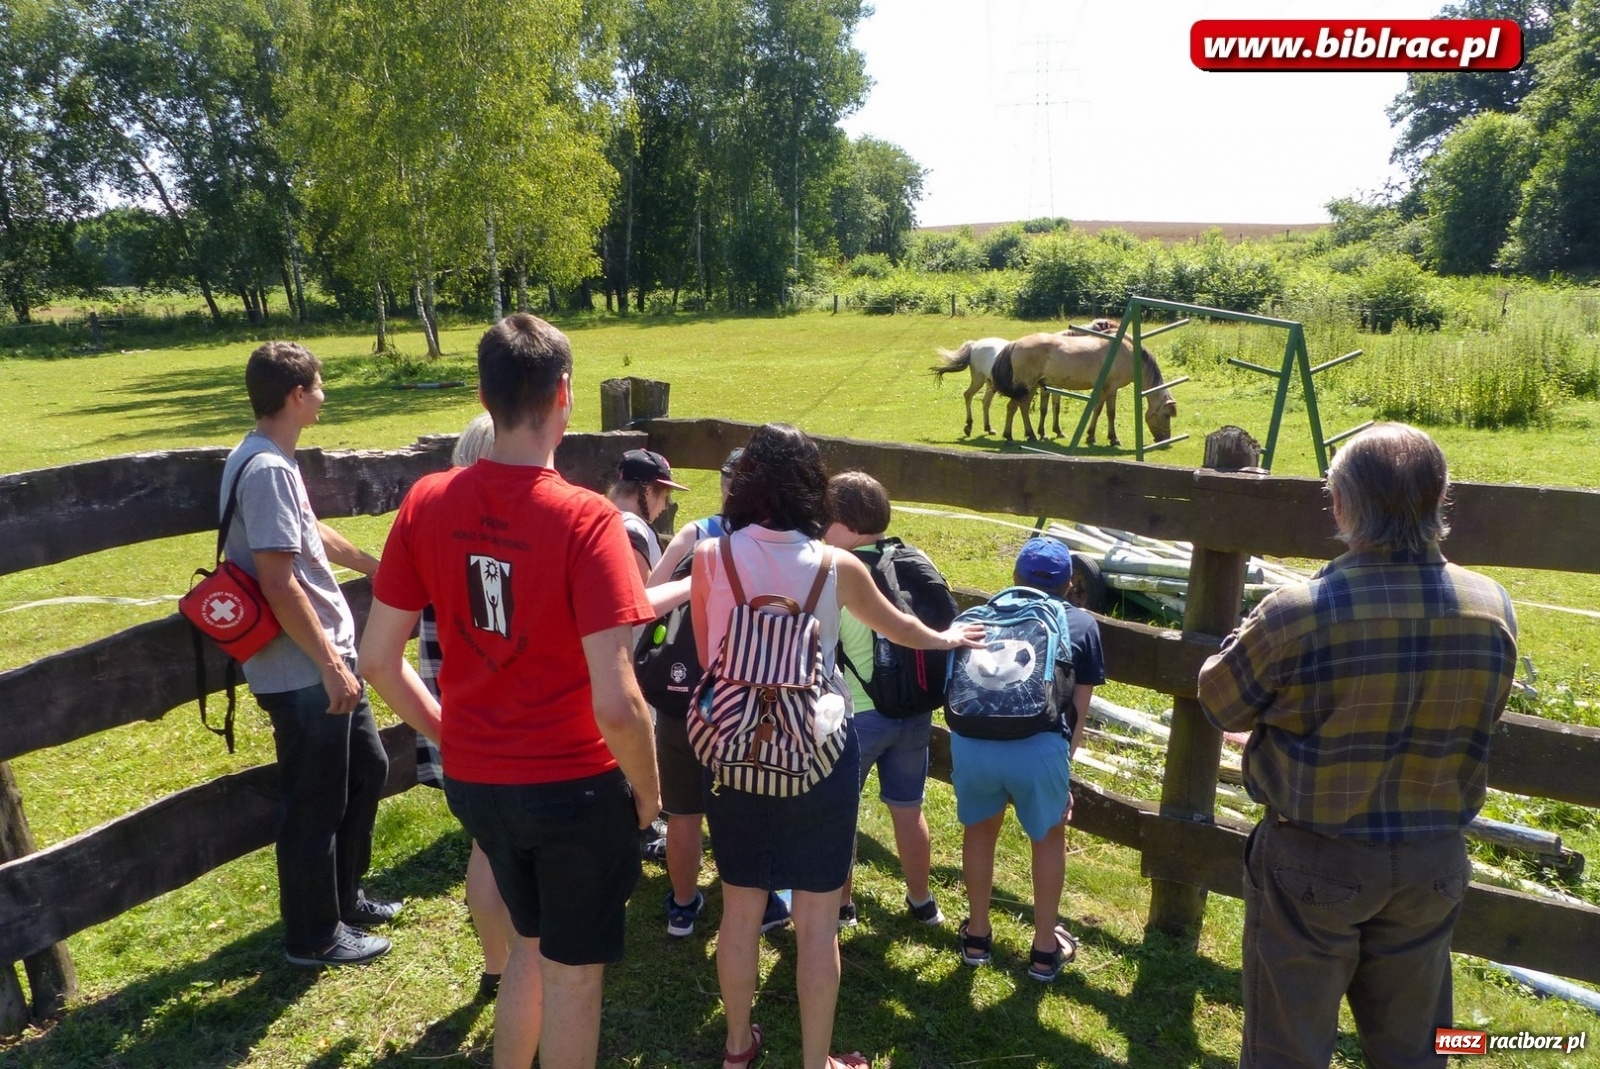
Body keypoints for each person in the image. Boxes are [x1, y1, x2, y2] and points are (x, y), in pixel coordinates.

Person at [360, 314, 662, 1069]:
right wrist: (651, 795)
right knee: (574, 977)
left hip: (479, 785)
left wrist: (450, 735)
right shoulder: (590, 519)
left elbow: (375, 658)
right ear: (564, 394)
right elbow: (620, 702)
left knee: (530, 944)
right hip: (574, 788)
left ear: (484, 393)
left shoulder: (426, 500)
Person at [1198, 423, 1518, 1069]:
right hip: (1433, 859)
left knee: (1286, 1047)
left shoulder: (1299, 609)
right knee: (1415, 1049)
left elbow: (1220, 699)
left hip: (1314, 859)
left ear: (1341, 504)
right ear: (1439, 499)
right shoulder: (1492, 606)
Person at [689, 423, 984, 1069]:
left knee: (739, 910)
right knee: (818, 925)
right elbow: (902, 628)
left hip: (735, 751)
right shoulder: (835, 564)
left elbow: (711, 658)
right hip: (818, 753)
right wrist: (951, 639)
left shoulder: (714, 556)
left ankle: (738, 1046)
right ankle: (815, 1059)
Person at [221, 341, 396, 968]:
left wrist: (377, 566)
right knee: (314, 801)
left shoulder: (270, 458)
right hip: (302, 669)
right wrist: (328, 664)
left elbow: (310, 534)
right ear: (297, 395)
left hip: (321, 662)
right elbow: (277, 578)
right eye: (319, 385)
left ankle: (343, 899)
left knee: (365, 770)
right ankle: (313, 937)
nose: (324, 393)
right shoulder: (266, 468)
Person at [646, 448, 792, 939]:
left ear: (726, 484)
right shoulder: (778, 543)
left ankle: (683, 906)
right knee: (749, 808)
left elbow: (645, 596)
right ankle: (763, 903)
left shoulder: (696, 534)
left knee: (683, 811)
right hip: (749, 702)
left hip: (683, 691)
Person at [951, 537, 1103, 983]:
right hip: (1038, 747)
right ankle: (1042, 949)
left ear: (1014, 577)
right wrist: (1064, 769)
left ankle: (977, 937)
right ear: (1069, 584)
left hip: (973, 741)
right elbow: (1077, 709)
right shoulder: (1080, 624)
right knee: (1049, 836)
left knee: (979, 831)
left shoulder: (980, 614)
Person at [823, 471, 956, 929]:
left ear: (845, 524)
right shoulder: (913, 558)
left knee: (837, 812)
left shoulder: (843, 571)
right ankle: (923, 902)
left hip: (859, 715)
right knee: (908, 808)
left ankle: (840, 907)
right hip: (914, 713)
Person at [412, 412, 514, 1002]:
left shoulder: (432, 525)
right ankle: (520, 958)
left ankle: (497, 963)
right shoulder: (492, 533)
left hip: (449, 706)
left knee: (482, 842)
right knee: (501, 847)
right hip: (493, 718)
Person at [610, 448, 687, 582]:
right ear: (648, 491)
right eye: (665, 497)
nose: (664, 507)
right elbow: (645, 595)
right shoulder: (633, 528)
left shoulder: (602, 516)